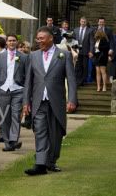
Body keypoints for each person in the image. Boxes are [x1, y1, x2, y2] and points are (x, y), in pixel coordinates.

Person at [22, 27, 78, 175]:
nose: (38, 41)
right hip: (38, 101)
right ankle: (40, 164)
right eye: (37, 39)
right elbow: (29, 81)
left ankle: (51, 161)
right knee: (40, 131)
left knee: (55, 133)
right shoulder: (33, 56)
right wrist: (26, 102)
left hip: (57, 101)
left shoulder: (64, 55)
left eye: (41, 38)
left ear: (50, 38)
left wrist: (72, 100)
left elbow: (71, 79)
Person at [0, 33, 29, 152]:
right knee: (5, 117)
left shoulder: (23, 57)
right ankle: (8, 143)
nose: (12, 42)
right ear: (6, 42)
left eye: (14, 41)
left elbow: (27, 75)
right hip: (3, 90)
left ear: (17, 42)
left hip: (18, 90)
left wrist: (24, 89)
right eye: (9, 41)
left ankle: (13, 139)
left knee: (16, 116)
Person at [73, 17, 91, 85]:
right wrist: (73, 49)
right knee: (77, 66)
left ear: (86, 22)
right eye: (82, 21)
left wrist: (91, 51)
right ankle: (78, 81)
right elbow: (73, 40)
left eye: (84, 22)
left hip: (86, 51)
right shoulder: (75, 30)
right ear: (80, 22)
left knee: (85, 66)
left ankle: (83, 81)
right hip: (77, 51)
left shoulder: (90, 30)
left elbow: (91, 42)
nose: (83, 23)